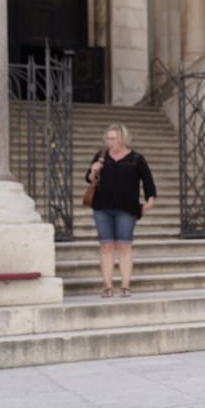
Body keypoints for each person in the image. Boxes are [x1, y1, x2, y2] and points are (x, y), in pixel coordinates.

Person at [85, 123, 157, 298]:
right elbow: (90, 179)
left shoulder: (136, 159)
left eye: (114, 138)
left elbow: (147, 180)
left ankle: (125, 286)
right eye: (108, 138)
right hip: (102, 207)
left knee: (124, 245)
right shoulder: (101, 156)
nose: (110, 142)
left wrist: (150, 200)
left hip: (127, 208)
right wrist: (93, 171)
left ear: (123, 139)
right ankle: (107, 287)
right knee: (106, 246)